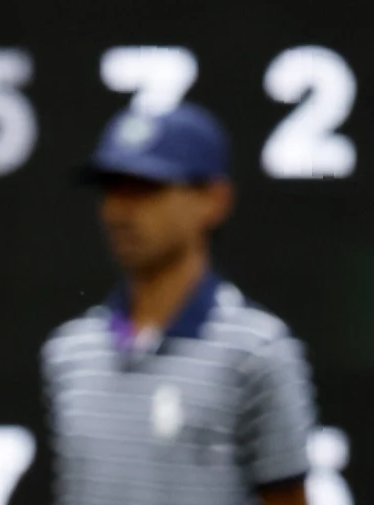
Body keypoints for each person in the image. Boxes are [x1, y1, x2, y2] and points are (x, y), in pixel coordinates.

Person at [40, 102, 317, 505]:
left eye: (146, 187)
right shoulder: (68, 352)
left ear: (214, 200)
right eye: (112, 188)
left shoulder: (258, 351)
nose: (119, 210)